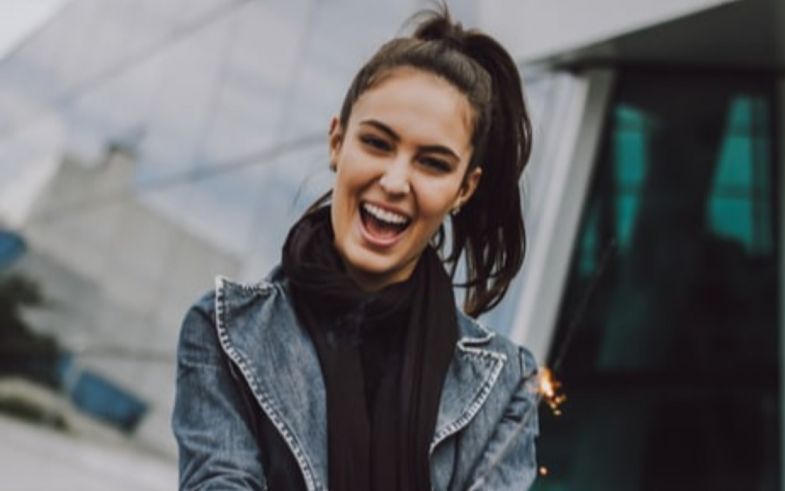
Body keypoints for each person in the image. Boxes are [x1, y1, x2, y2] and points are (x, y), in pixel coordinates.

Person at [172, 6, 539, 491]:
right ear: (337, 142)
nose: (394, 181)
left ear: (463, 190)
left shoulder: (507, 387)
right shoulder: (226, 333)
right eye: (377, 143)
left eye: (432, 163)